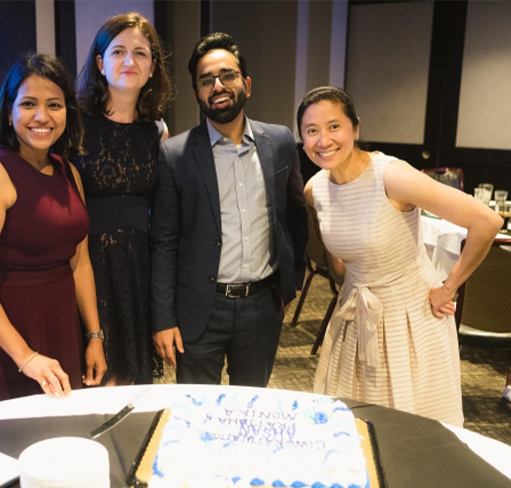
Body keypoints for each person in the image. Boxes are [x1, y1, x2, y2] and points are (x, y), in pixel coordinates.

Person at [298, 86, 503, 426]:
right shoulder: (315, 188)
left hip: (410, 319)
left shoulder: (391, 175)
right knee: (354, 425)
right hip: (354, 319)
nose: (324, 140)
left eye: (334, 126)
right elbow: (338, 260)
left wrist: (448, 287)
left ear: (356, 128)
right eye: (312, 130)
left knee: (412, 427)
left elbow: (486, 221)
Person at [150, 32, 308, 387]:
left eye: (227, 75)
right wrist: (163, 318)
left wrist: (291, 283)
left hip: (262, 306)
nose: (217, 85)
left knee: (251, 409)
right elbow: (163, 242)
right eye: (206, 81)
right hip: (198, 309)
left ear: (246, 84)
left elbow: (296, 217)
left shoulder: (280, 142)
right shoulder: (174, 155)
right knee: (196, 413)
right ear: (196, 94)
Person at [0, 53, 107, 409]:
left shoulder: (68, 172)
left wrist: (94, 336)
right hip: (3, 339)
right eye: (29, 104)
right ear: (9, 112)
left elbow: (80, 262)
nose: (42, 117)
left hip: (60, 324)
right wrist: (25, 356)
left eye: (54, 105)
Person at [73, 13, 174, 385]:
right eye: (118, 51)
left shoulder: (157, 131)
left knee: (134, 385)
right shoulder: (74, 126)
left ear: (152, 67)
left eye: (140, 53)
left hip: (138, 268)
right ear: (100, 64)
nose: (129, 62)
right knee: (97, 385)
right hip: (87, 266)